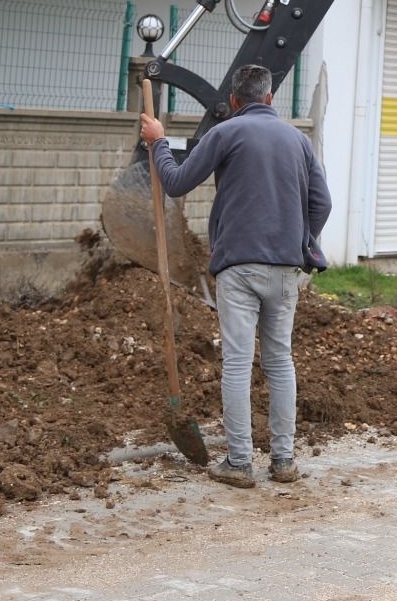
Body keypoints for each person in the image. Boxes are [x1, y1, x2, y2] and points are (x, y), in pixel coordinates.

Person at [139, 63, 332, 489]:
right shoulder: (299, 141)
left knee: (239, 363)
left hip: (238, 267)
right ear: (269, 99)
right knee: (280, 362)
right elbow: (323, 202)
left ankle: (239, 463)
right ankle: (283, 461)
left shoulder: (225, 133)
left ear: (233, 102)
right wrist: (304, 242)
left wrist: (158, 143)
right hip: (285, 268)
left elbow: (175, 182)